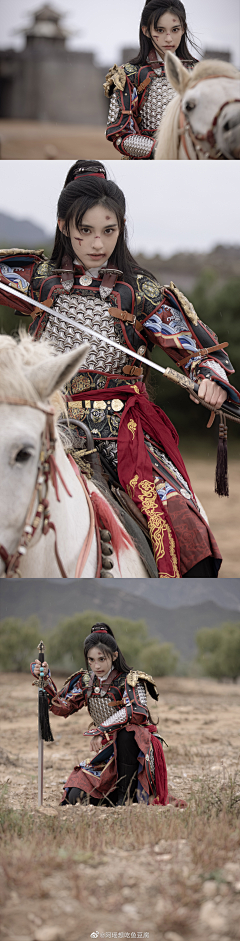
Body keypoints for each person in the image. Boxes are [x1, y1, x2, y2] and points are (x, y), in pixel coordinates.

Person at [2, 160, 239, 577]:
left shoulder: (141, 291)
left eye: (108, 231)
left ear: (121, 226)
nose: (97, 243)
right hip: (49, 422)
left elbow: (200, 351)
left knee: (187, 529)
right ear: (63, 227)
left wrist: (209, 377)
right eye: (85, 231)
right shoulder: (36, 278)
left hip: (122, 432)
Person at [31, 623, 168, 806]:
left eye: (102, 659)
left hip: (137, 750)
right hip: (108, 749)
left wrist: (101, 729)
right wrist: (45, 679)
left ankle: (126, 800)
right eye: (91, 660)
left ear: (114, 656)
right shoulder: (85, 681)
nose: (96, 666)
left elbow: (136, 712)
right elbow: (62, 706)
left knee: (128, 734)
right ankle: (115, 798)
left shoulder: (130, 680)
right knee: (75, 796)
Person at [104, 0, 198, 159]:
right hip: (147, 163)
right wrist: (162, 149)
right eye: (160, 30)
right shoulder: (127, 74)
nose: (169, 38)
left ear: (183, 29)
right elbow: (120, 135)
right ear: (146, 31)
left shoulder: (199, 73)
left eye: (175, 30)